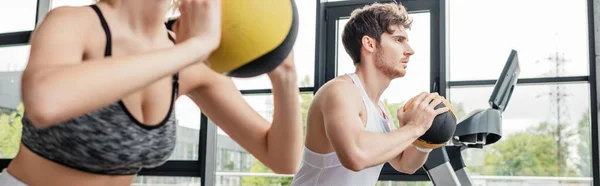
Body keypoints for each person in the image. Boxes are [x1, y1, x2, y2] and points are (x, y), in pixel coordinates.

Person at [0, 0, 304, 185]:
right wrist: (194, 47)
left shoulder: (188, 56)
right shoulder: (73, 23)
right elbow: (44, 100)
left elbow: (281, 159)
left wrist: (284, 74)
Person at [291, 2, 450, 186]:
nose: (410, 50)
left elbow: (405, 164)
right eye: (399, 40)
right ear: (369, 44)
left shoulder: (379, 109)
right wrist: (414, 127)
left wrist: (426, 136)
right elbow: (356, 155)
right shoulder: (340, 91)